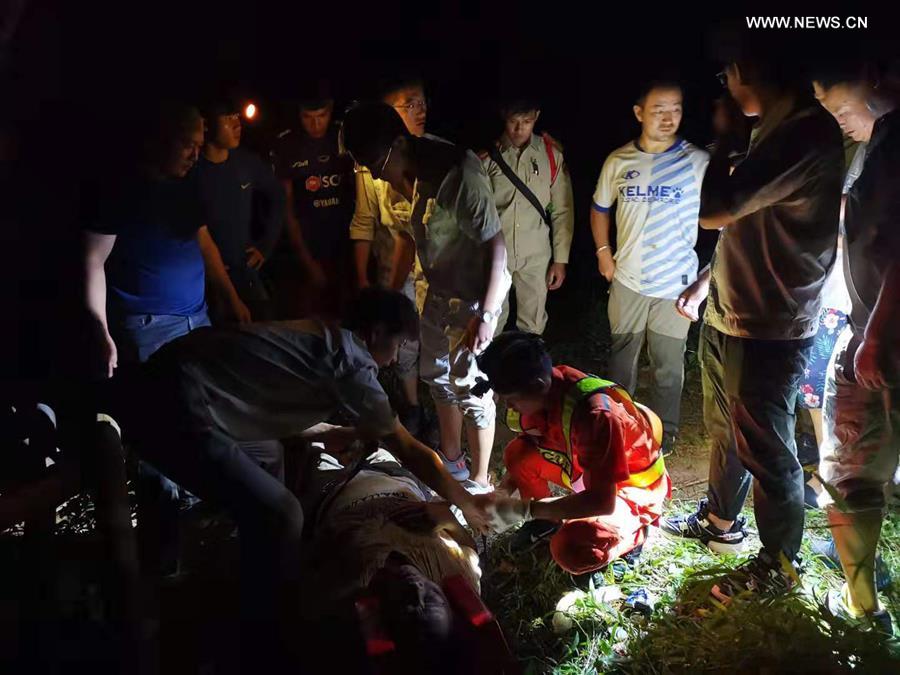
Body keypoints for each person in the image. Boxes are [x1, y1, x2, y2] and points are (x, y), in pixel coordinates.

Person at [122, 287, 492, 668]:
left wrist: (333, 433)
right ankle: (267, 622)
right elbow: (409, 449)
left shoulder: (322, 337)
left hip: (181, 379)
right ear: (377, 332)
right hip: (175, 403)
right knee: (282, 514)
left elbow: (266, 404)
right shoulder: (350, 361)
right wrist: (466, 502)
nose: (395, 358)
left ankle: (255, 551)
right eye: (397, 345)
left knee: (267, 458)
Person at [660, 42, 843, 602]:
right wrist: (706, 281)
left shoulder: (804, 134)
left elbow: (717, 209)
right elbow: (747, 227)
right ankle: (721, 522)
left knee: (767, 448)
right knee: (727, 430)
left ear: (747, 72)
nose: (724, 86)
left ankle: (779, 566)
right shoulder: (774, 130)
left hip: (770, 322)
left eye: (726, 73)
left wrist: (725, 141)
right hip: (732, 310)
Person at [342, 103, 510, 489]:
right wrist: (389, 297)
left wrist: (485, 315)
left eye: (374, 161)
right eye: (363, 163)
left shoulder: (456, 173)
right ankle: (452, 462)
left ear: (399, 143)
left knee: (470, 382)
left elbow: (496, 246)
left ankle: (480, 481)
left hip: (475, 292)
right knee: (437, 375)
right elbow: (405, 235)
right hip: (436, 290)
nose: (372, 172)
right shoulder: (395, 177)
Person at [810, 61, 900, 635]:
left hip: (882, 345)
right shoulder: (880, 141)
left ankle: (865, 611)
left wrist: (873, 336)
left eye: (840, 108)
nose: (839, 121)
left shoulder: (893, 147)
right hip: (874, 332)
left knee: (851, 470)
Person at [476, 332, 670, 575]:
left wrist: (526, 509)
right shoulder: (545, 388)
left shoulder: (596, 416)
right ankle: (547, 523)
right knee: (518, 454)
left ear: (538, 385)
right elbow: (531, 444)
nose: (509, 406)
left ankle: (633, 534)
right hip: (588, 473)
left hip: (631, 491)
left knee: (572, 548)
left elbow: (602, 501)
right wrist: (504, 492)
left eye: (510, 399)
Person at [84, 102, 248, 377]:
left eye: (199, 145)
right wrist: (100, 329)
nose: (195, 155)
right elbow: (92, 261)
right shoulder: (120, 189)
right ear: (162, 142)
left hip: (198, 320)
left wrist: (232, 298)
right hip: (149, 328)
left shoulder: (188, 183)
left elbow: (203, 241)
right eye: (187, 145)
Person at [590, 81, 709, 455]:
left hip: (677, 285)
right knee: (622, 359)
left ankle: (662, 436)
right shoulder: (619, 160)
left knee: (668, 367)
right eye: (658, 109)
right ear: (639, 113)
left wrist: (704, 279)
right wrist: (603, 252)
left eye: (675, 108)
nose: (667, 117)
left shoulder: (698, 162)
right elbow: (599, 209)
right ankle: (618, 428)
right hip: (628, 279)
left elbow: (729, 220)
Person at [349, 76, 437, 435]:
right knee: (404, 342)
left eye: (422, 103)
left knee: (435, 339)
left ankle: (441, 404)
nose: (420, 111)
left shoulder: (436, 159)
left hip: (433, 271)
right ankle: (413, 406)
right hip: (396, 269)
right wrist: (364, 281)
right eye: (409, 104)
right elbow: (364, 220)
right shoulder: (369, 167)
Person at [480, 95, 574, 334]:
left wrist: (560, 260)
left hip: (536, 255)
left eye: (527, 121)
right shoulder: (487, 158)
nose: (520, 128)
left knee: (533, 322)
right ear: (504, 116)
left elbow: (563, 210)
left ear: (537, 117)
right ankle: (490, 366)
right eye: (514, 121)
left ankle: (528, 367)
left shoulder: (551, 156)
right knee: (492, 318)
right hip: (497, 255)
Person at [197, 97, 285, 322]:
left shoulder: (246, 163)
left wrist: (265, 247)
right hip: (204, 280)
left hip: (243, 271)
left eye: (238, 117)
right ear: (206, 124)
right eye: (228, 118)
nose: (237, 125)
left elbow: (277, 195)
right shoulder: (192, 170)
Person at [272, 90, 355, 319]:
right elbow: (287, 209)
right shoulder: (288, 144)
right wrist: (308, 261)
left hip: (346, 246)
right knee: (311, 317)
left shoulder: (344, 134)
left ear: (330, 111)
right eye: (308, 117)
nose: (315, 124)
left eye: (321, 116)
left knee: (348, 317)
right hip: (308, 246)